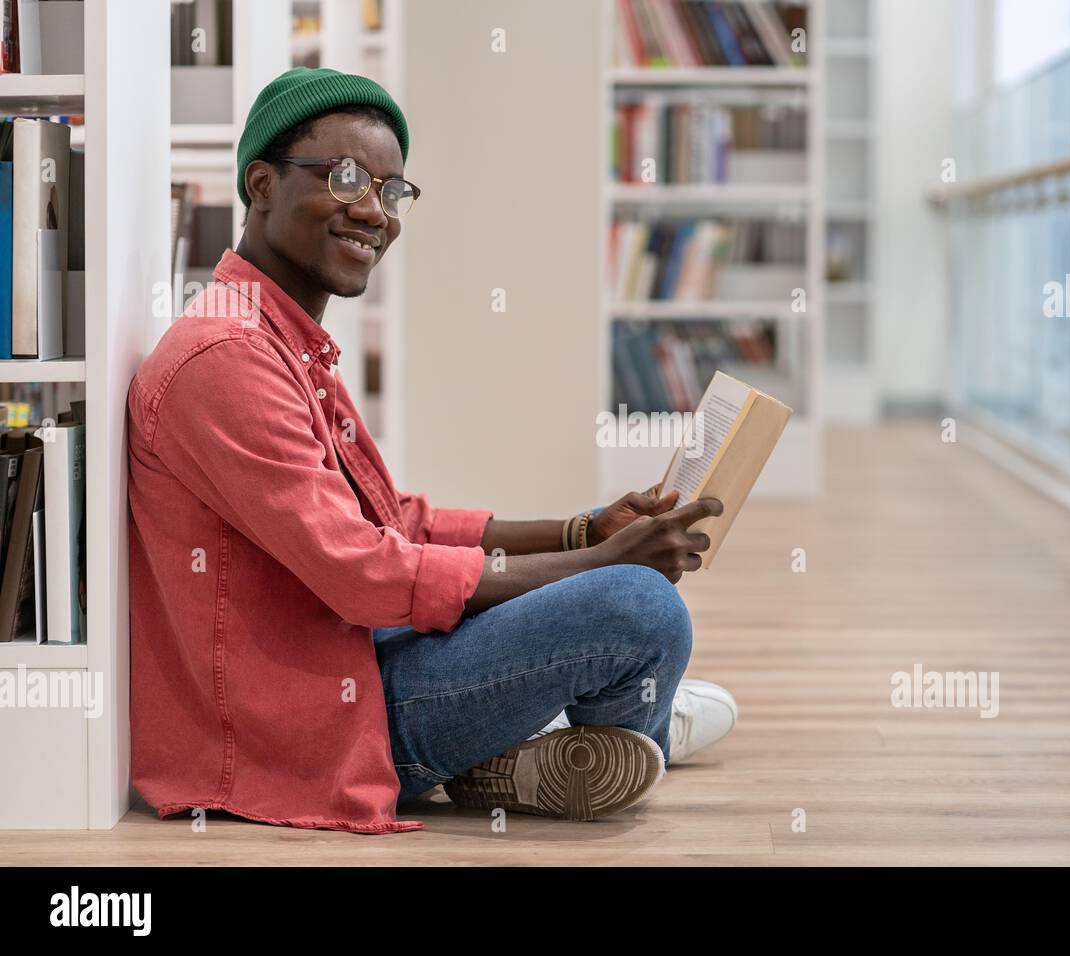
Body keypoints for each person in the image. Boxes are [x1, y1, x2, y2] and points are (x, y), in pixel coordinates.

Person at [127, 68, 738, 834]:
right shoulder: (224, 358)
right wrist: (607, 565)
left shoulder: (278, 340)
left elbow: (394, 519)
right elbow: (363, 573)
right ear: (261, 184)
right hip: (327, 722)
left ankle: (549, 738)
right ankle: (575, 731)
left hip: (364, 659)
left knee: (629, 607)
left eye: (391, 189)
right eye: (345, 177)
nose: (373, 211)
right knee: (641, 607)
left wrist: (583, 532)